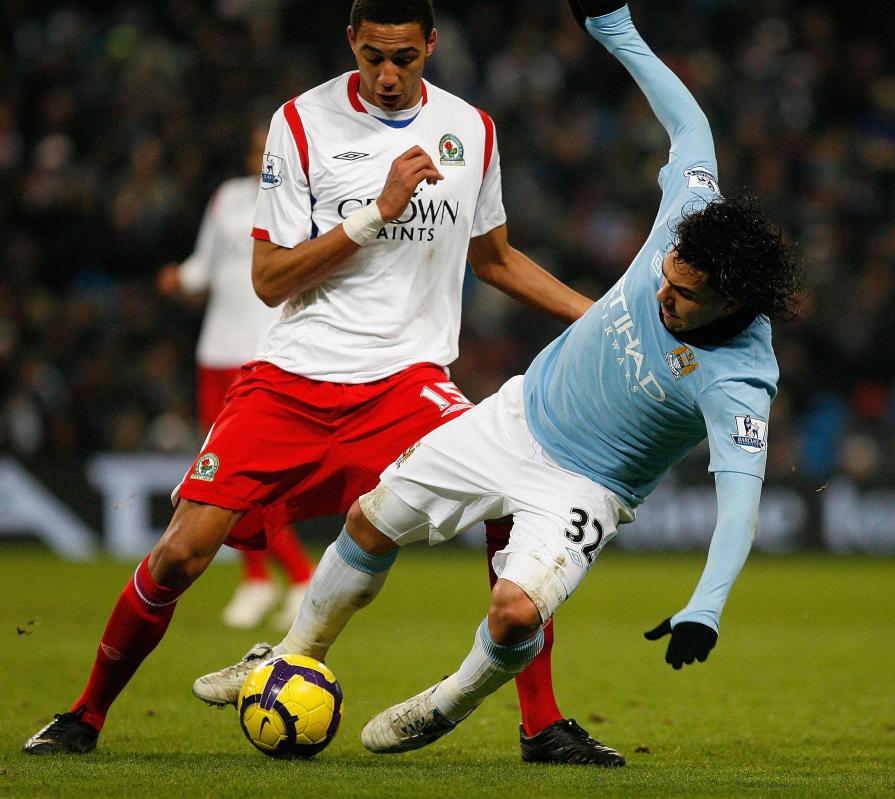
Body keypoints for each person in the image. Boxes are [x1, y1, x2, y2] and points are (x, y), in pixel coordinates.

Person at [23, 0, 625, 767]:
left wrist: (599, 317)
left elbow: (496, 258)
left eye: (405, 57)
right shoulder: (300, 122)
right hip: (291, 380)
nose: (387, 74)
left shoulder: (471, 128)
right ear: (351, 41)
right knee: (180, 555)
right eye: (373, 54)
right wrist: (377, 214)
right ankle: (83, 714)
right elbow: (270, 280)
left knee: (509, 497)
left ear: (432, 45)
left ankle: (541, 724)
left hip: (407, 382)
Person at [204, 0, 801, 759]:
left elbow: (741, 507)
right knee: (368, 519)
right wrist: (613, 28)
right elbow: (691, 125)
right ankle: (293, 653)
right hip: (512, 417)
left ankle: (450, 700)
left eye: (682, 298)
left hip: (588, 487)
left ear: (733, 302)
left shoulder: (740, 381)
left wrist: (706, 606)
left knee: (516, 611)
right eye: (667, 277)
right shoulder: (694, 214)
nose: (661, 295)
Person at [156, 126, 314, 631]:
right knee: (218, 477)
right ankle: (257, 579)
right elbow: (206, 266)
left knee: (254, 478)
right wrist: (181, 277)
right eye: (255, 150)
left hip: (266, 353)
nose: (261, 158)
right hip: (215, 350)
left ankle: (296, 574)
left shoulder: (306, 201)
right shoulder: (227, 197)